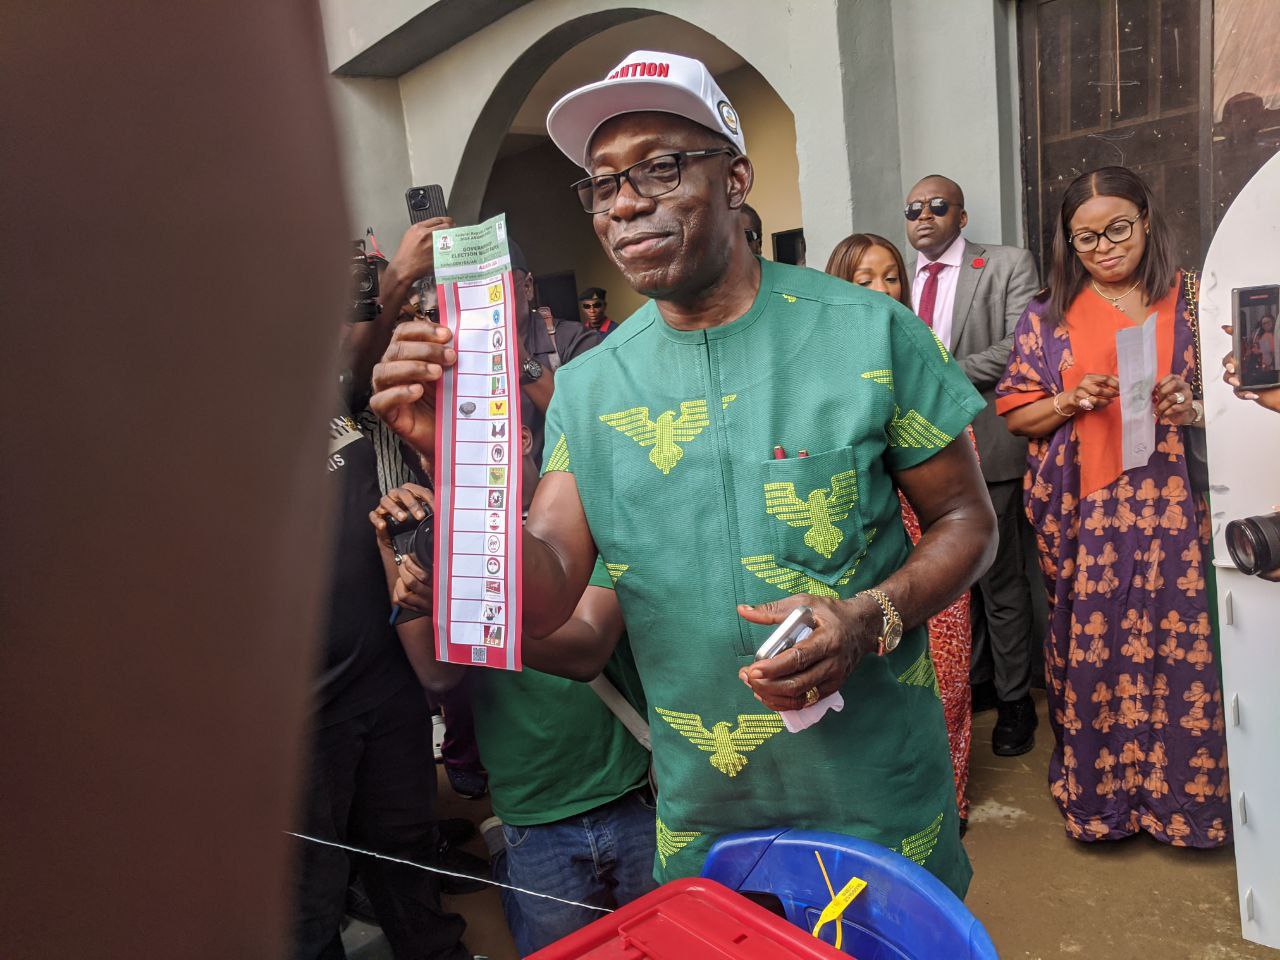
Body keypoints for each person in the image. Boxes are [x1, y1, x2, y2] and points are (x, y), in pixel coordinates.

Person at [370, 50, 997, 898]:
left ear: (735, 178)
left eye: (660, 168)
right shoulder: (590, 388)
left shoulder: (869, 332)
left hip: (878, 802)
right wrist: (448, 458)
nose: (625, 202)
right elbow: (548, 597)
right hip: (708, 824)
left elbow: (968, 521)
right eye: (602, 184)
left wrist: (867, 616)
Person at [995, 165, 1229, 847]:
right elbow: (1017, 413)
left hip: (1176, 510)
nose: (1103, 246)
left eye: (1116, 228)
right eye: (1084, 237)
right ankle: (1103, 806)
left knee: (1182, 655)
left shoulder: (1190, 300)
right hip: (1090, 518)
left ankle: (1183, 807)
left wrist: (1192, 408)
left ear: (1146, 220)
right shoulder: (1048, 314)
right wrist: (1071, 400)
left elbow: (1242, 393)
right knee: (1097, 657)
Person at [371, 397, 656, 955]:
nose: (446, 473)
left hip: (631, 797)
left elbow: (582, 652)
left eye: (461, 452)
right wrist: (399, 554)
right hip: (531, 815)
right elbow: (436, 674)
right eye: (430, 460)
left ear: (519, 440)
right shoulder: (447, 551)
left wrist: (469, 610)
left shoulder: (581, 521)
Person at [294, 221, 470, 960]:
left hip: (386, 680)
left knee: (406, 854)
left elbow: (358, 361)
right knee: (308, 901)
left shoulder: (328, 396)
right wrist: (395, 274)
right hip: (301, 713)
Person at [825, 232, 975, 826]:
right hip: (874, 553)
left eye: (892, 277)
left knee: (949, 673)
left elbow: (961, 474)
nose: (883, 289)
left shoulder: (919, 353)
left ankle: (951, 802)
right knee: (887, 683)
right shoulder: (821, 366)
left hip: (938, 540)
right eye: (864, 279)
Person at [904, 174, 1043, 757]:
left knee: (1000, 580)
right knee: (949, 582)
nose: (924, 217)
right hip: (917, 454)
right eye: (914, 209)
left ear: (961, 217)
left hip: (987, 444)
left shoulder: (1007, 264)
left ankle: (1015, 701)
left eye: (938, 206)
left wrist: (929, 380)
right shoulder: (897, 280)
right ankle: (980, 683)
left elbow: (1019, 344)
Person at [513, 241, 601, 466]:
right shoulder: (463, 357)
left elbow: (588, 424)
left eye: (499, 287)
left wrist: (518, 357)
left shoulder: (574, 340)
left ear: (527, 287)